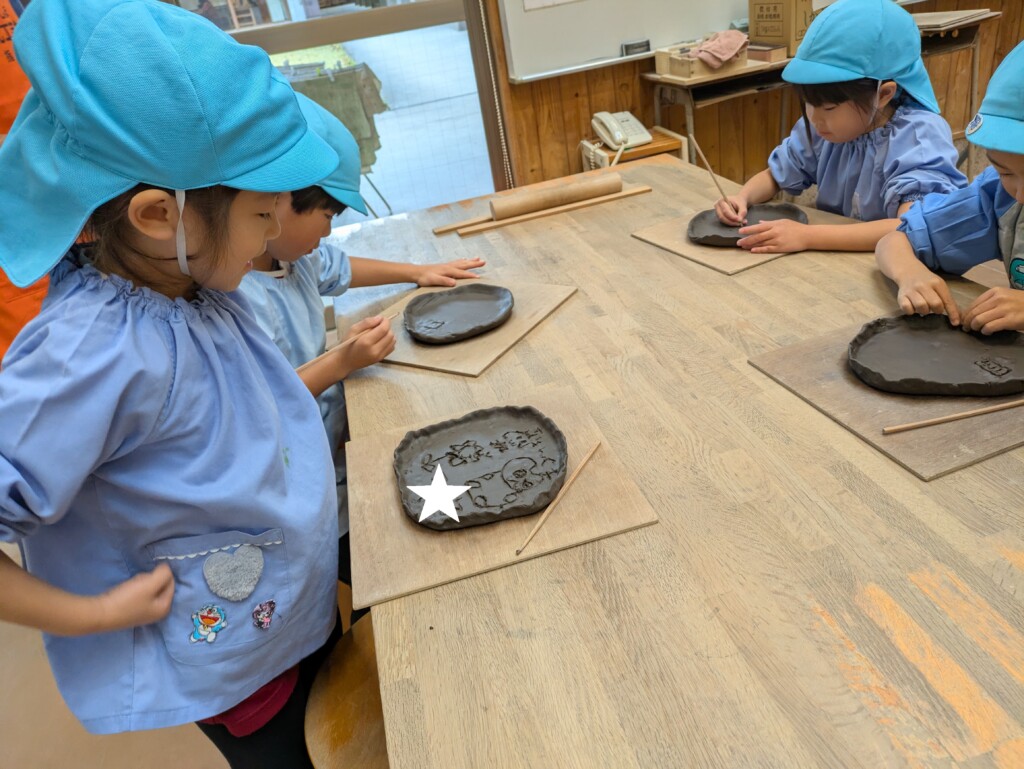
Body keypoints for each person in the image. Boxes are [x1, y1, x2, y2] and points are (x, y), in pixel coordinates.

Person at [0, 1, 347, 766]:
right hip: (236, 664)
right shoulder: (87, 354)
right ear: (160, 213)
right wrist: (90, 613)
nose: (272, 236)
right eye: (262, 214)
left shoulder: (191, 282)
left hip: (288, 614)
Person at [239, 92, 484, 598]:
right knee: (380, 569)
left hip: (334, 449)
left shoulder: (295, 257)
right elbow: (262, 404)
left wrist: (417, 271)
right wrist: (341, 361)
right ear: (277, 202)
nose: (330, 230)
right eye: (327, 214)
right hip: (294, 479)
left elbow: (342, 267)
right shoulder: (240, 296)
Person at [715, 0, 966, 254]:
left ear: (883, 94)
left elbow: (909, 227)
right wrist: (743, 198)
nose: (814, 118)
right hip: (835, 257)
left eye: (829, 107)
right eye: (809, 104)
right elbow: (777, 174)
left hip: (892, 264)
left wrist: (807, 236)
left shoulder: (918, 139)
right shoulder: (825, 128)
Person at [876, 40, 1024, 334]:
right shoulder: (998, 199)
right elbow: (895, 241)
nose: (1020, 194)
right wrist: (910, 273)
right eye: (1005, 171)